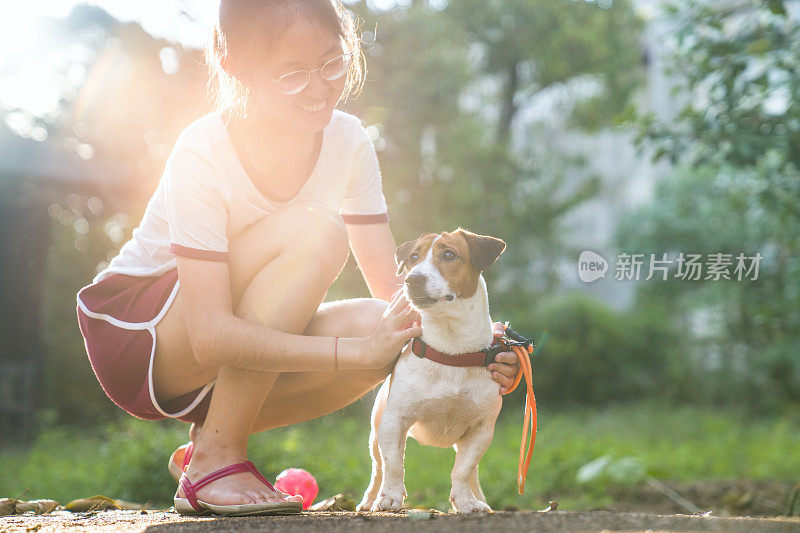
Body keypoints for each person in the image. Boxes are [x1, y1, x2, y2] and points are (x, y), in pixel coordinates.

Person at [76, 0, 520, 515]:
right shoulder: (203, 149)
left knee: (385, 325)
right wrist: (347, 354)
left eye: (333, 62)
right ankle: (217, 460)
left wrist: (476, 349)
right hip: (141, 333)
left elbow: (396, 300)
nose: (319, 88)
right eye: (291, 74)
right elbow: (210, 335)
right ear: (236, 67)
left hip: (216, 361)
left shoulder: (348, 139)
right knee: (318, 232)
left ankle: (209, 442)